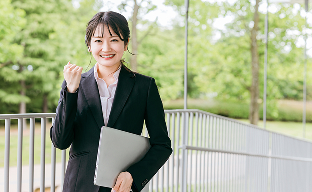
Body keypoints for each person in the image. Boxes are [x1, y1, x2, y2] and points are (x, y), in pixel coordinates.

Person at [50, 11, 172, 192]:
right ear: (89, 45)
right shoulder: (74, 84)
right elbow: (60, 141)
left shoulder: (144, 87)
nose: (106, 48)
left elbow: (162, 145)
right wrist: (71, 91)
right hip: (79, 185)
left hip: (121, 187)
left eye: (114, 40)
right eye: (98, 40)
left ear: (126, 43)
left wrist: (133, 175)